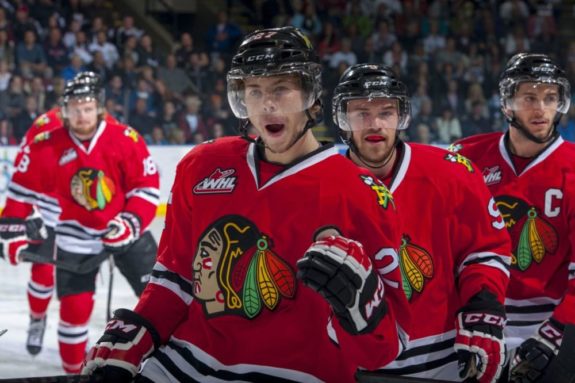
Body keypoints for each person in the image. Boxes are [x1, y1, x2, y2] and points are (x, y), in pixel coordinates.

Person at [82, 26, 409, 382]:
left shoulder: (363, 194)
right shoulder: (202, 165)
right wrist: (142, 328)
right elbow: (175, 276)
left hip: (298, 374)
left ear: (311, 97)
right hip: (182, 364)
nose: (267, 103)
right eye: (254, 91)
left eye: (281, 89)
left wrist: (363, 313)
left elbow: (386, 350)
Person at [331, 64, 511, 382]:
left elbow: (485, 251)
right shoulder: (320, 183)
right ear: (343, 119)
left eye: (386, 112)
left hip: (440, 360)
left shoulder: (452, 173)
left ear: (401, 116)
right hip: (346, 362)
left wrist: (482, 309)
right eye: (361, 112)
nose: (375, 124)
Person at [0, 75, 160, 373]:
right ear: (64, 110)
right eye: (75, 108)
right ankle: (72, 372)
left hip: (123, 225)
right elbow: (21, 191)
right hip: (70, 230)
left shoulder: (124, 137)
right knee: (72, 308)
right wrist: (11, 229)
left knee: (159, 297)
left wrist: (131, 221)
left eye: (87, 108)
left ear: (98, 107)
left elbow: (145, 187)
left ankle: (169, 361)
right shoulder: (44, 140)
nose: (81, 115)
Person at [452, 53, 575, 382]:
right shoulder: (465, 158)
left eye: (550, 99)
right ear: (507, 104)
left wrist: (556, 331)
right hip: (477, 319)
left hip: (554, 323)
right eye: (529, 98)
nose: (541, 110)